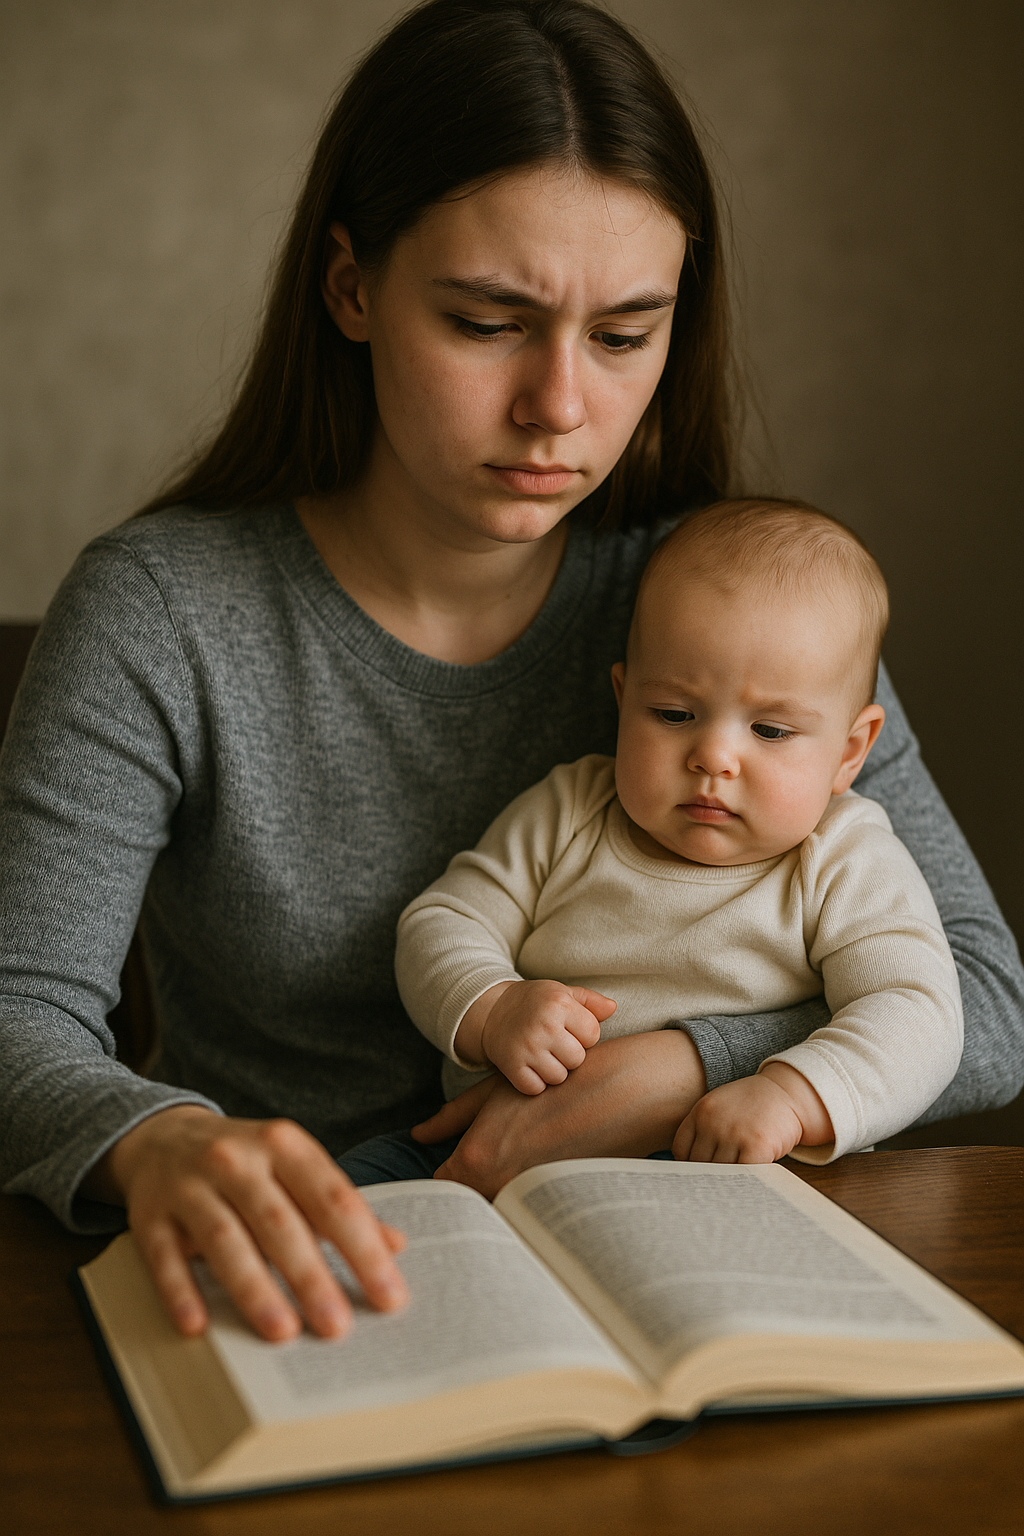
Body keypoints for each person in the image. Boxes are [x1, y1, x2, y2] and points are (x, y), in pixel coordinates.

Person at [1, 0, 1021, 1348]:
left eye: (624, 335)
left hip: (687, 1266)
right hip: (307, 1288)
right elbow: (21, 1014)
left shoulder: (742, 619)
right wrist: (161, 1142)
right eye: (489, 322)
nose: (561, 406)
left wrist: (667, 1073)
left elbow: (984, 1000)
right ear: (352, 285)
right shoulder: (160, 614)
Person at [388, 500, 962, 1168]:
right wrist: (495, 1007)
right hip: (479, 1147)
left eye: (771, 731)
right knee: (344, 1216)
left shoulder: (843, 859)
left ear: (850, 751)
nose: (714, 757)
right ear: (623, 697)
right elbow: (440, 922)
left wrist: (796, 1095)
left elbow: (919, 1010)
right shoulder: (571, 809)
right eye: (673, 713)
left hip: (712, 1166)